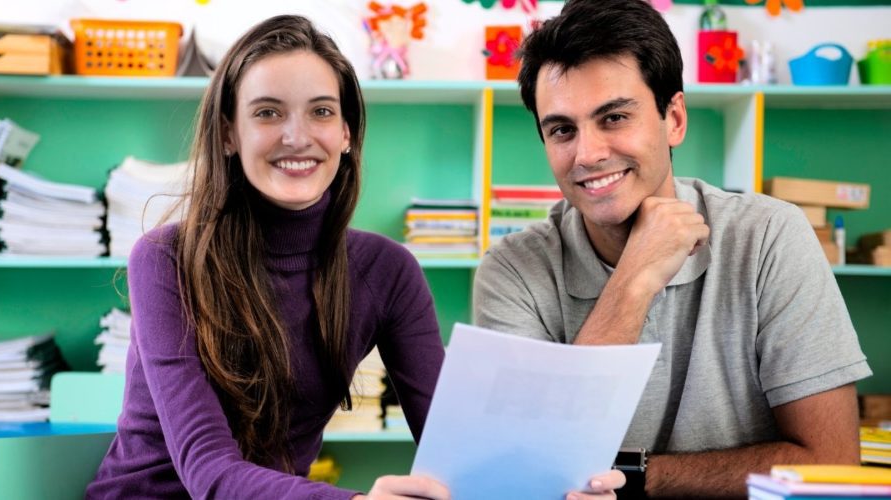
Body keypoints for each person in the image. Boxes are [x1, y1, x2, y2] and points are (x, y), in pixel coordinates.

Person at [87, 14, 623, 499]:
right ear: (229, 132)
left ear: (345, 133)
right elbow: (208, 470)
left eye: (321, 111)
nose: (297, 137)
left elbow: (454, 443)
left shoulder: (386, 270)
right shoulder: (165, 259)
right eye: (268, 112)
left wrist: (556, 486)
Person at [473, 0, 872, 498]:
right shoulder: (511, 269)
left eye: (615, 117)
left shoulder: (771, 235)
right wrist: (636, 278)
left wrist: (639, 478)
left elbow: (832, 462)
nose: (588, 154)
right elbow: (526, 473)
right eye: (561, 130)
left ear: (674, 119)